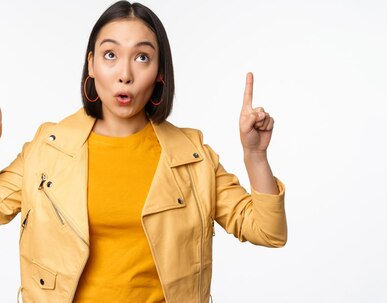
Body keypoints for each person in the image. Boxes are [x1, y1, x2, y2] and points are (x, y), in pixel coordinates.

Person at [0, 1, 287, 302]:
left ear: (160, 72)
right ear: (91, 64)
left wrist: (255, 156)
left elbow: (269, 232)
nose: (125, 74)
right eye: (110, 55)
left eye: (141, 57)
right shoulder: (48, 150)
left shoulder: (193, 158)